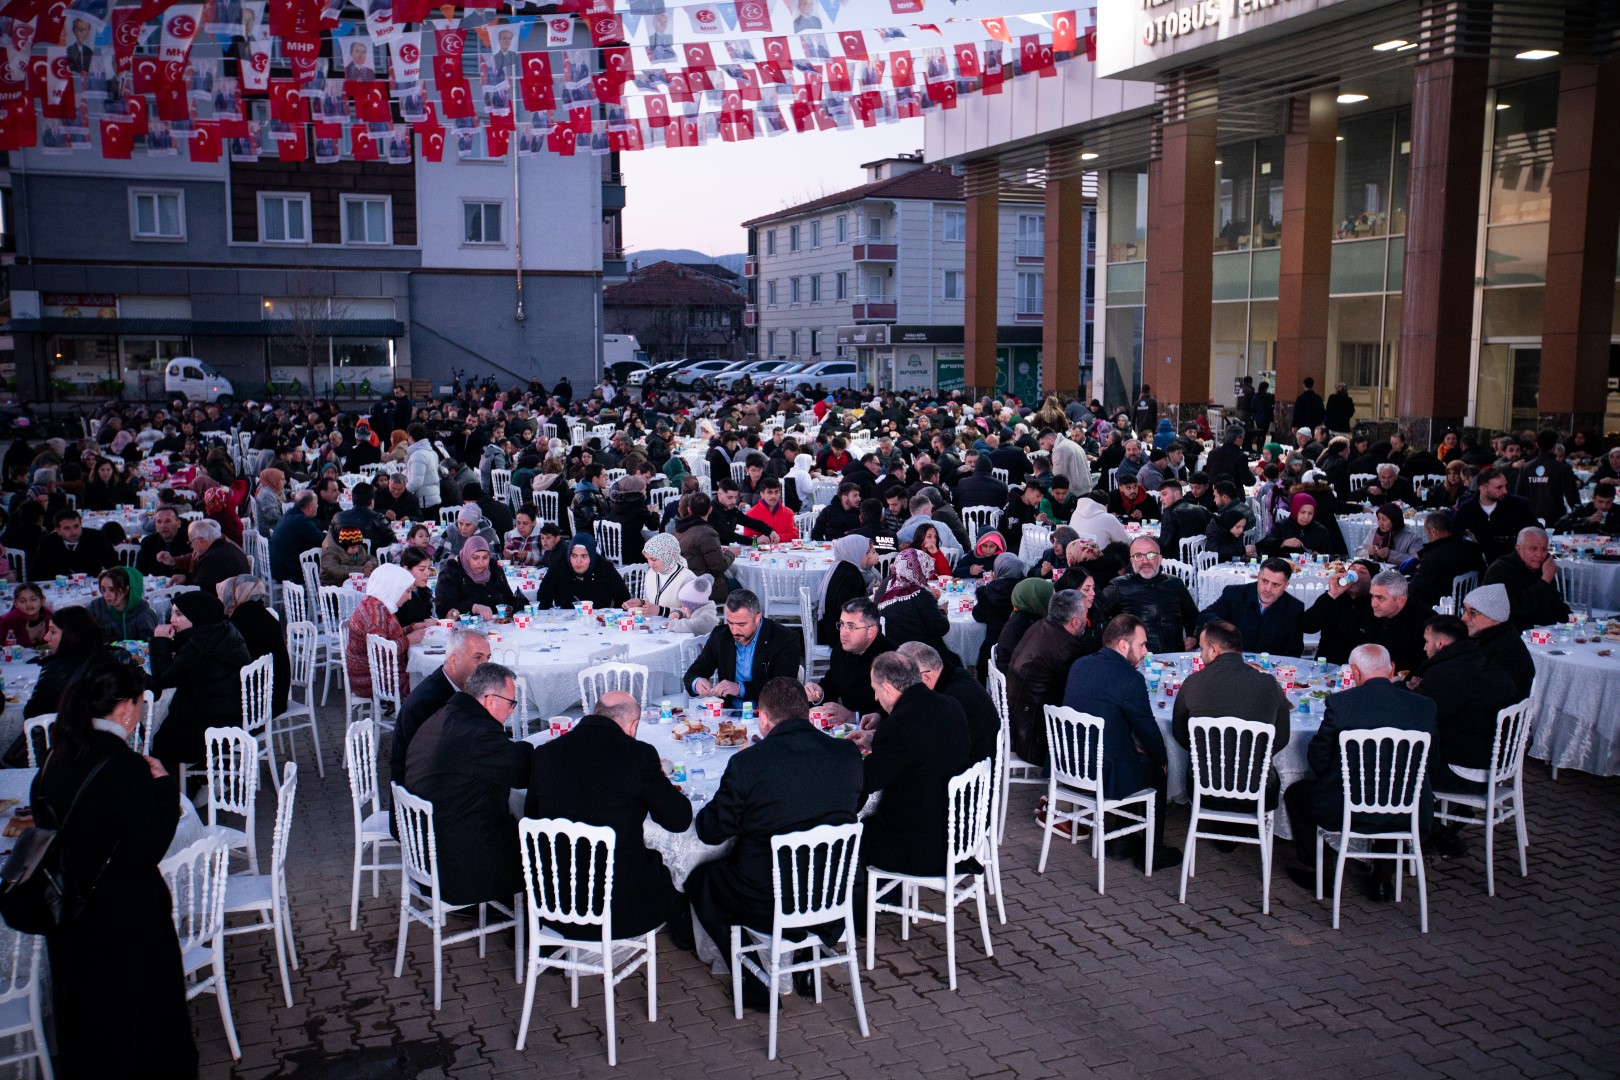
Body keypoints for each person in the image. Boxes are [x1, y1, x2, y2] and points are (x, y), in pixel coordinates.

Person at [31, 658, 197, 1077]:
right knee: (142, 1033)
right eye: (140, 704)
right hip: (126, 922)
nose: (140, 712)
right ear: (124, 708)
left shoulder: (56, 757)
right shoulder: (123, 766)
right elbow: (149, 845)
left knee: (90, 1034)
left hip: (71, 919)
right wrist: (163, 788)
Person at [687, 677, 863, 1008]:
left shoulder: (748, 763)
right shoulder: (846, 754)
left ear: (763, 720)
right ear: (808, 714)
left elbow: (710, 831)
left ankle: (755, 980)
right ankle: (807, 951)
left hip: (768, 897)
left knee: (702, 880)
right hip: (834, 890)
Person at [525, 689, 693, 942]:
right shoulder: (638, 756)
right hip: (619, 910)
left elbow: (532, 818)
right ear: (633, 724)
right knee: (670, 868)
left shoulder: (545, 754)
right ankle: (684, 939)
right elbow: (678, 820)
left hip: (554, 903)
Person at [1282, 644, 1437, 901]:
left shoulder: (1342, 704)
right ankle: (1382, 882)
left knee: (1297, 793)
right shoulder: (1423, 706)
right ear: (1392, 670)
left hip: (1348, 807)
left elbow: (1319, 760)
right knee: (1394, 790)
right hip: (1409, 809)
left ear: (1354, 672)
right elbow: (1431, 759)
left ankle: (1323, 875)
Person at [403, 662, 533, 908]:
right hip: (458, 866)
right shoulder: (478, 735)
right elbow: (523, 772)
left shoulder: (443, 715)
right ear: (490, 700)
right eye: (511, 703)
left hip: (425, 853)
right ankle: (540, 929)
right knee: (545, 848)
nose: (511, 711)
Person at [1060, 614, 1178, 871]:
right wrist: (1162, 759)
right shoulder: (1130, 679)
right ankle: (1152, 852)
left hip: (1069, 763)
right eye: (1142, 644)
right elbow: (1146, 728)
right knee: (1154, 771)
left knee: (1134, 758)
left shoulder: (1080, 664)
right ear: (1124, 645)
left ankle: (1123, 840)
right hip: (1100, 771)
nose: (1146, 652)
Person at [1404, 614, 1521, 854]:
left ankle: (1429, 834)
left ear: (1441, 644)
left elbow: (1418, 717)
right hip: (1499, 765)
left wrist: (1406, 692)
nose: (1423, 646)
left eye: (1426, 641)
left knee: (1397, 769)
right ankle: (1437, 825)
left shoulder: (1448, 674)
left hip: (1467, 773)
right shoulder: (1483, 663)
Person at [859, 651, 971, 877]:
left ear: (888, 688)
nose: (875, 699)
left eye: (876, 690)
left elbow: (867, 781)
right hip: (958, 833)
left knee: (847, 833)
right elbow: (921, 750)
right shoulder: (951, 705)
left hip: (921, 846)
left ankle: (854, 906)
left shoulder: (899, 725)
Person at [1171, 619, 1292, 814]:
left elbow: (1180, 733)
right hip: (1258, 792)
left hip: (1204, 789)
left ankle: (1224, 835)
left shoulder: (1193, 683)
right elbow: (1281, 738)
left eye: (1201, 649)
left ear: (1213, 650)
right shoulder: (1269, 684)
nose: (1201, 655)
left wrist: (1206, 755)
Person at [149, 590, 254, 773]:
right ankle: (199, 779)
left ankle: (180, 790)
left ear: (197, 615)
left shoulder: (198, 645)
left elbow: (163, 680)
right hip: (231, 714)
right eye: (172, 613)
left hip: (212, 728)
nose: (172, 619)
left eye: (179, 614)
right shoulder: (223, 630)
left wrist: (159, 643)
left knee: (159, 740)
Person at [1006, 589, 1094, 766]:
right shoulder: (1065, 648)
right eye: (1086, 613)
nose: (1087, 618)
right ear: (1075, 622)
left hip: (1017, 726)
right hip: (1036, 740)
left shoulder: (1040, 626)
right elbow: (1078, 693)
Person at [683, 590, 800, 707]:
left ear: (757, 618)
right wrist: (697, 682)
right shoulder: (721, 635)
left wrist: (740, 688)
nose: (734, 630)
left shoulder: (784, 638)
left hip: (769, 714)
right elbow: (693, 673)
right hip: (728, 716)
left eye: (741, 624)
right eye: (730, 623)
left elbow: (784, 688)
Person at [897, 641, 998, 766]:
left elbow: (925, 740)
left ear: (926, 677)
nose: (902, 687)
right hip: (973, 759)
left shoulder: (950, 698)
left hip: (969, 772)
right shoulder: (952, 674)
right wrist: (881, 716)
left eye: (905, 680)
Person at [1098, 537, 1198, 653]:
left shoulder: (1175, 584)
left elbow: (1194, 617)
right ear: (1131, 560)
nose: (1145, 561)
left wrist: (1194, 638)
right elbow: (1097, 616)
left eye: (1151, 555)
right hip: (1137, 660)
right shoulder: (1120, 586)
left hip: (1174, 657)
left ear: (1160, 558)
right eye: (1139, 556)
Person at [345, 563, 423, 705]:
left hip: (371, 675)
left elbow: (384, 638)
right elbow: (382, 652)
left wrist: (412, 628)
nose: (409, 597)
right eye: (407, 591)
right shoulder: (376, 615)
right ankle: (419, 722)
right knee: (429, 681)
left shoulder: (374, 603)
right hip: (374, 681)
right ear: (393, 588)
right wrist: (409, 640)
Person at [806, 597, 892, 724]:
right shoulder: (840, 651)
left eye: (851, 627)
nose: (843, 633)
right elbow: (832, 685)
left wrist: (854, 716)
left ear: (871, 631)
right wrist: (818, 693)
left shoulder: (892, 658)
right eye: (841, 624)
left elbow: (900, 710)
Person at [1196, 557, 1305, 657]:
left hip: (1270, 669)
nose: (1268, 589)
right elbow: (1205, 615)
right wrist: (1223, 626)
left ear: (1286, 586)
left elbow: (1294, 651)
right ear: (1258, 577)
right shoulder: (1234, 594)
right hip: (1233, 663)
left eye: (1275, 585)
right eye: (1265, 581)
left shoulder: (1294, 608)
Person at [218, 574, 289, 717]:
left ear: (238, 594)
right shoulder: (261, 614)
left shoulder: (240, 622)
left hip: (260, 703)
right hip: (276, 695)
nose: (222, 599)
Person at [875, 548, 956, 664]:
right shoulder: (920, 594)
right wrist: (943, 611)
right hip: (919, 656)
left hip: (889, 652)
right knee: (954, 661)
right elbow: (941, 628)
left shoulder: (887, 584)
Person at [1482, 526, 1570, 629]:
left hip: (1545, 630)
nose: (1539, 555)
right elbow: (1516, 609)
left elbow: (1554, 602)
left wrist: (1571, 618)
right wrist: (1544, 581)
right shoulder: (1500, 570)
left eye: (1543, 549)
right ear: (1518, 548)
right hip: (1513, 634)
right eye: (1533, 549)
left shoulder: (1543, 566)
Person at [1459, 583, 1535, 698]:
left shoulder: (1504, 651)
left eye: (1473, 613)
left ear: (1496, 619)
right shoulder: (1491, 636)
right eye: (1465, 610)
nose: (1464, 618)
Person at [1451, 467, 1537, 565]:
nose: (1505, 491)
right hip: (1478, 565)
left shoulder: (1517, 505)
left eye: (1505, 486)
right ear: (1483, 489)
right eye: (1499, 487)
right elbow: (1455, 534)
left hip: (1513, 564)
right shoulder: (1467, 510)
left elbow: (1536, 529)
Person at [1405, 509, 1488, 610]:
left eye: (1426, 532)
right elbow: (1483, 573)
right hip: (1466, 603)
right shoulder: (1472, 547)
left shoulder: (1433, 556)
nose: (1427, 535)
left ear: (1433, 531)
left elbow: (1416, 589)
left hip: (1440, 606)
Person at [534, 532, 630, 611]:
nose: (578, 561)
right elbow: (543, 598)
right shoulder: (559, 567)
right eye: (574, 556)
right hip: (564, 625)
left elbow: (624, 599)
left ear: (592, 556)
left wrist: (610, 617)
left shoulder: (604, 568)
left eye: (584, 556)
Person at [431, 535, 517, 620]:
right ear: (467, 556)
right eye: (475, 558)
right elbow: (443, 609)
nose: (481, 563)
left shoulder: (495, 570)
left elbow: (508, 598)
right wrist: (473, 607)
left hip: (498, 624)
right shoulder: (451, 573)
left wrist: (514, 606)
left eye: (485, 557)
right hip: (464, 628)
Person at [816, 534, 877, 645]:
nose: (869, 556)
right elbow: (849, 612)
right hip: (838, 635)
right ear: (855, 552)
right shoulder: (852, 577)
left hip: (827, 627)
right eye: (866, 552)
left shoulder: (839, 566)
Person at [674, 492, 735, 603]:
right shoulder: (707, 533)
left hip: (684, 585)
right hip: (706, 588)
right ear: (710, 510)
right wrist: (731, 553)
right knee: (742, 585)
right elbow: (719, 566)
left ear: (689, 510)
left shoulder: (678, 532)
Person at [174, 518, 253, 597]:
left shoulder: (212, 559)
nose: (191, 546)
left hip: (230, 605)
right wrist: (185, 578)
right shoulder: (227, 546)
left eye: (191, 542)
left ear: (201, 541)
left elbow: (199, 592)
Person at [1515, 430, 1580, 524]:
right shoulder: (1563, 468)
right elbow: (1573, 498)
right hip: (1556, 519)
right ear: (1554, 446)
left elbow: (1519, 495)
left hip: (1531, 518)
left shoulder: (1526, 468)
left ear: (1537, 445)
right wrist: (1583, 519)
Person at [33, 508, 118, 579]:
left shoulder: (97, 537)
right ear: (58, 530)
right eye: (67, 528)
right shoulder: (47, 542)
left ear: (81, 524)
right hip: (59, 590)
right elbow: (37, 572)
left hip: (91, 587)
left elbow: (114, 564)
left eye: (76, 526)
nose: (73, 532)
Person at [86, 565, 160, 642]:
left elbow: (149, 644)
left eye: (112, 590)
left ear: (126, 589)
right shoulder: (96, 607)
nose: (106, 595)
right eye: (103, 590)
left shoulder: (144, 613)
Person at [631, 532, 695, 615]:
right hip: (654, 624)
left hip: (676, 626)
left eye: (653, 559)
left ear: (667, 556)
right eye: (647, 559)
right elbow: (653, 602)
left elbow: (692, 614)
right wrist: (641, 603)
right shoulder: (652, 573)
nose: (650, 564)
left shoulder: (688, 578)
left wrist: (661, 611)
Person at [270, 491, 325, 583]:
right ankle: (325, 595)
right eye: (316, 504)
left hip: (279, 568)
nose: (318, 506)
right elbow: (322, 542)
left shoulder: (289, 514)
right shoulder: (302, 521)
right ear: (310, 507)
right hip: (289, 573)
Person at [1258, 493, 1334, 557]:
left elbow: (1329, 555)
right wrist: (1282, 543)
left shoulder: (1320, 530)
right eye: (1302, 512)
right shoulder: (1281, 526)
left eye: (1310, 513)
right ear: (1295, 510)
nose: (1306, 517)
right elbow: (1264, 547)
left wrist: (1320, 556)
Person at [1155, 481, 1211, 563]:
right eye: (1160, 496)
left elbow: (1165, 545)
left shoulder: (1170, 513)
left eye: (1164, 494)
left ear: (1177, 494)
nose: (1160, 499)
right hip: (1202, 562)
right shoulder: (1202, 510)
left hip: (1177, 565)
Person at [1357, 503, 1423, 563]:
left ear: (1394, 520)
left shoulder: (1411, 536)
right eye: (1379, 519)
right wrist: (1368, 552)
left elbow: (1416, 560)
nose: (1380, 523)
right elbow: (1358, 552)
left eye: (1384, 520)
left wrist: (1391, 554)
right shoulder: (1375, 531)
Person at [1551, 481, 1619, 535]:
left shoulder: (1617, 510)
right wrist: (1587, 520)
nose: (1604, 506)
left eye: (1608, 502)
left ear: (1613, 500)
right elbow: (1559, 525)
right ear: (1593, 498)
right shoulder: (1583, 509)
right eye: (1600, 501)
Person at [0, 581, 51, 647]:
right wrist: (28, 637)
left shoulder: (49, 617)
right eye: (23, 601)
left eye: (33, 599)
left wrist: (42, 639)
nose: (28, 604)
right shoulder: (10, 620)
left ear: (42, 600)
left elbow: (58, 642)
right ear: (16, 604)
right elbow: (3, 646)